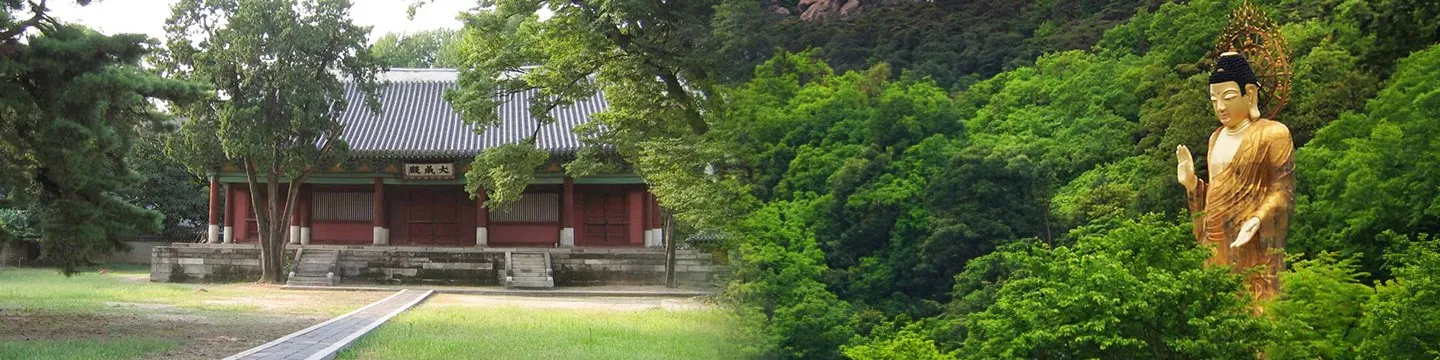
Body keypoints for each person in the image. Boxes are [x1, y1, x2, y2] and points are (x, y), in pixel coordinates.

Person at [1175, 52, 1294, 301]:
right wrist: (1192, 184)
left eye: (1228, 97)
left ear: (1249, 94)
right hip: (1216, 240)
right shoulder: (1216, 137)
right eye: (1214, 99)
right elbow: (1215, 193)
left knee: (1256, 304)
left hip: (1253, 240)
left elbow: (1282, 191)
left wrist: (1257, 218)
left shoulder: (1273, 134)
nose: (1220, 107)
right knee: (1220, 302)